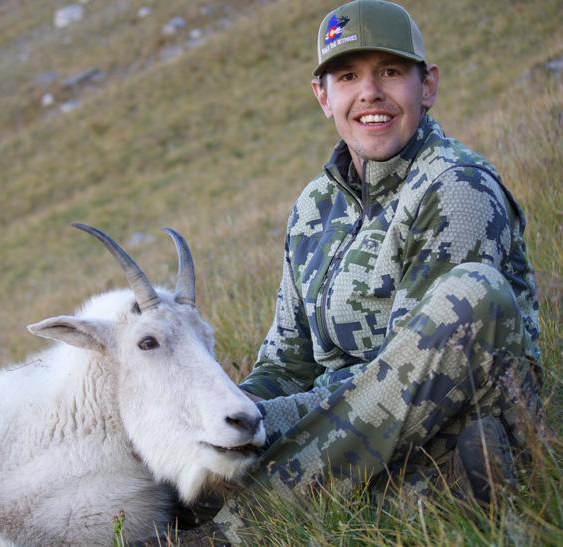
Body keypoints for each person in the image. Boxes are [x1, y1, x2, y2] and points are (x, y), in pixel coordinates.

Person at [182, 0, 542, 543]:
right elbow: (287, 359)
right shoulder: (313, 206)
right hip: (339, 435)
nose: (369, 92)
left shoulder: (456, 188)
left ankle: (237, 530)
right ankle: (430, 491)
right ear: (323, 96)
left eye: (390, 72)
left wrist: (272, 423)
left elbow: (403, 379)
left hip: (436, 416)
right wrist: (233, 417)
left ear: (428, 86)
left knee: (475, 294)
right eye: (348, 76)